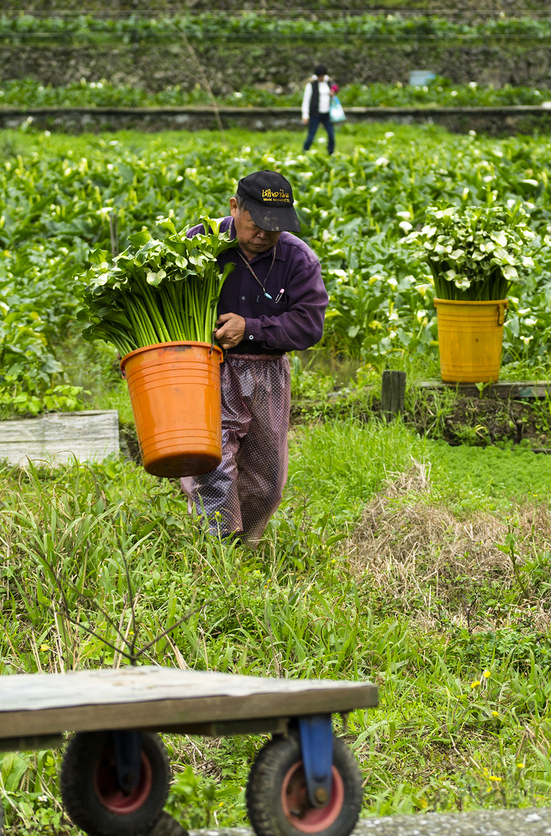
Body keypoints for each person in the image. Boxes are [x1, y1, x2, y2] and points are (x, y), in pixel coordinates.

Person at [183, 171, 328, 546]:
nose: (264, 234)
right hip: (209, 370)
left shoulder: (298, 258)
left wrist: (250, 327)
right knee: (214, 465)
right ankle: (216, 551)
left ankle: (243, 546)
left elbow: (309, 325)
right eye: (256, 223)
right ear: (235, 208)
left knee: (266, 483)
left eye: (275, 227)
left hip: (267, 375)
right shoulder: (198, 244)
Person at [301, 65, 338, 155]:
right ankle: (305, 151)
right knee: (311, 135)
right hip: (315, 114)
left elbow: (336, 88)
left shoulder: (329, 83)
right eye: (319, 76)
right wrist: (305, 115)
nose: (321, 78)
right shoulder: (311, 85)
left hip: (327, 114)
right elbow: (306, 100)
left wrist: (333, 92)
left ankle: (331, 152)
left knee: (331, 135)